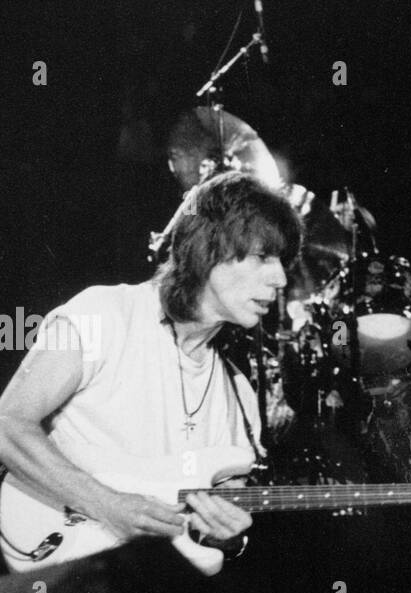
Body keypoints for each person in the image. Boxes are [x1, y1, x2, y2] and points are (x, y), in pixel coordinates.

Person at [0, 171, 300, 564]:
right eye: (264, 256)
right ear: (210, 247)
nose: (279, 279)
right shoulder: (102, 315)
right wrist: (106, 504)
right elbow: (7, 423)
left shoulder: (240, 397)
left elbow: (208, 533)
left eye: (282, 262)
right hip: (52, 569)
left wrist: (224, 536)